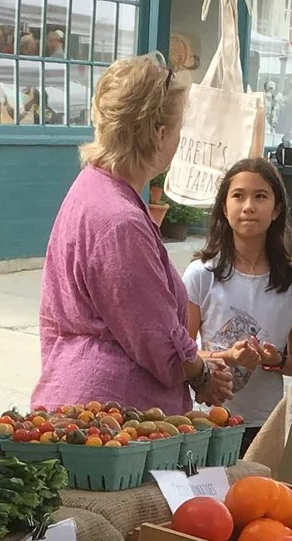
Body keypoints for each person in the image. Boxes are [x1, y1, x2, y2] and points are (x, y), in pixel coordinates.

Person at [33, 53, 256, 413]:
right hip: (114, 413)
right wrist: (202, 375)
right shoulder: (120, 220)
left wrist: (200, 364)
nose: (180, 139)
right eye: (179, 128)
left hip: (87, 400)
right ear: (159, 134)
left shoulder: (93, 187)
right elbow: (156, 337)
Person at [185, 156, 292, 429]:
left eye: (260, 196)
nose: (249, 206)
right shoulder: (200, 275)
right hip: (208, 420)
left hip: (265, 423)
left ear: (276, 209)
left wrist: (276, 360)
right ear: (224, 207)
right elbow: (182, 353)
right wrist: (229, 356)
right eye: (238, 196)